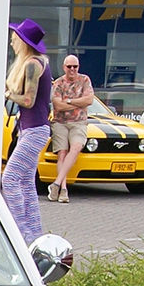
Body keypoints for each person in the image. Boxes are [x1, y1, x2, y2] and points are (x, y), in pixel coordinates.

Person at [0, 18, 52, 243]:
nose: (12, 43)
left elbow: (28, 101)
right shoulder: (39, 62)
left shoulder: (32, 64)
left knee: (10, 179)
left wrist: (8, 94)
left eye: (14, 40)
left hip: (34, 130)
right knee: (27, 183)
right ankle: (33, 235)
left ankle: (20, 234)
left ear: (24, 42)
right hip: (32, 129)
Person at [48, 53, 93, 203]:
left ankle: (56, 184)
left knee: (76, 147)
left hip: (79, 122)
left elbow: (89, 100)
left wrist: (68, 100)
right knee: (62, 153)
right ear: (64, 67)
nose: (72, 69)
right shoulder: (58, 83)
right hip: (60, 122)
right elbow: (57, 105)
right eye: (69, 66)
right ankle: (63, 190)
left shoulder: (85, 80)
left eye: (75, 66)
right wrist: (77, 103)